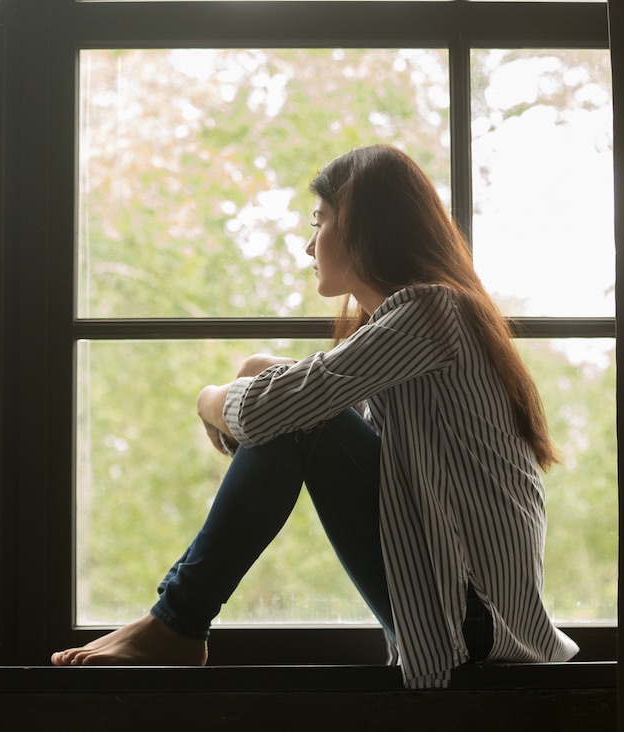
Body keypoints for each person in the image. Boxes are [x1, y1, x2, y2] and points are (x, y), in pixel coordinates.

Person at [50, 144, 580, 688]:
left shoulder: (430, 311)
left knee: (300, 417)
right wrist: (257, 371)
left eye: (320, 222)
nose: (309, 245)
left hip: (473, 625)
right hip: (461, 617)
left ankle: (177, 624)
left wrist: (210, 397)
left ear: (364, 227)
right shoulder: (426, 322)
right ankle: (174, 622)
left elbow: (277, 412)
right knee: (295, 409)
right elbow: (312, 406)